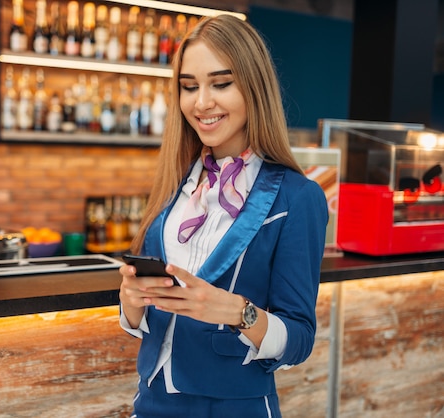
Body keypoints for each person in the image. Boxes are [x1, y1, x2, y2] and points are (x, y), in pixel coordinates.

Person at [118, 14, 329, 418]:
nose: (201, 103)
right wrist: (131, 302)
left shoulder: (298, 198)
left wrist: (236, 312)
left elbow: (300, 339)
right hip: (151, 403)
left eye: (221, 83)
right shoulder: (172, 186)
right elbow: (148, 313)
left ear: (253, 87)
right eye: (189, 87)